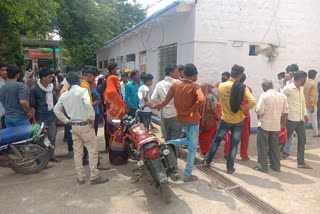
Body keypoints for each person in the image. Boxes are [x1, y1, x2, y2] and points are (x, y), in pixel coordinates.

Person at [149, 64, 205, 182]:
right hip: (193, 120)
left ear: (184, 74)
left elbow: (164, 101)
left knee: (190, 141)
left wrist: (154, 106)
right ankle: (187, 175)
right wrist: (192, 109)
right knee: (192, 147)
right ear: (194, 75)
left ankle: (168, 143)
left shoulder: (175, 85)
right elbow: (201, 100)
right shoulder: (195, 87)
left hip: (180, 118)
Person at [54, 72, 109, 184]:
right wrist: (92, 118)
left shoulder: (64, 95)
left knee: (78, 153)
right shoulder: (82, 91)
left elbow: (56, 110)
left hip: (74, 126)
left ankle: (81, 177)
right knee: (92, 151)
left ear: (68, 82)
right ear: (79, 80)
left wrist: (66, 121)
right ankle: (94, 176)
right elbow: (88, 104)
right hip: (85, 125)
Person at [204, 65, 256, 174]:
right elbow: (253, 102)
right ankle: (229, 168)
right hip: (238, 120)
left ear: (231, 73)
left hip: (225, 118)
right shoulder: (244, 87)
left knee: (217, 140)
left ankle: (207, 161)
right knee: (234, 144)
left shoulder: (222, 85)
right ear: (240, 76)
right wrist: (243, 108)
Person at [255, 79, 288, 172]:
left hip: (264, 125)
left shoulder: (264, 96)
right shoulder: (282, 96)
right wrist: (283, 125)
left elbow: (260, 110)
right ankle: (276, 166)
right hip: (276, 126)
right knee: (275, 147)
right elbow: (286, 112)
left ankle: (262, 167)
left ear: (264, 87)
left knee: (262, 147)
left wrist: (256, 112)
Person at [281, 71, 312, 169]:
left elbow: (302, 102)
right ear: (300, 79)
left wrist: (305, 115)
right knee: (283, 140)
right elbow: (281, 101)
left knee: (302, 139)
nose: (305, 80)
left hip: (300, 119)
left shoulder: (301, 88)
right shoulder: (287, 89)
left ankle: (301, 162)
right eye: (305, 79)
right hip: (290, 119)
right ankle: (271, 156)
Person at [29, 67, 60, 162]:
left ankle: (51, 155)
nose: (52, 78)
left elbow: (55, 102)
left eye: (52, 77)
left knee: (52, 137)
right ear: (43, 77)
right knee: (40, 139)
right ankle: (42, 159)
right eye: (50, 77)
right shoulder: (34, 89)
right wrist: (34, 120)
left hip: (52, 116)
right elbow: (32, 105)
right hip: (40, 117)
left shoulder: (52, 87)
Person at [224, 74, 252, 161]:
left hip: (233, 115)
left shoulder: (229, 88)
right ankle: (244, 155)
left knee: (230, 135)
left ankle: (227, 154)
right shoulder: (248, 89)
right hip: (244, 115)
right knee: (245, 136)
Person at [151, 65, 181, 141]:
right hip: (176, 114)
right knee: (176, 138)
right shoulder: (178, 83)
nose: (179, 74)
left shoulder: (159, 84)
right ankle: (174, 152)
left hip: (165, 115)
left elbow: (153, 98)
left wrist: (159, 105)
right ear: (171, 73)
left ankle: (168, 152)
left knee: (167, 137)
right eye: (177, 72)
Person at [104, 75, 128, 165]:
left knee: (113, 137)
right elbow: (119, 106)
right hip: (116, 119)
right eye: (117, 82)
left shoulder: (107, 91)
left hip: (110, 118)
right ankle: (118, 159)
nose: (118, 84)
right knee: (118, 138)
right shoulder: (113, 92)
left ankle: (114, 158)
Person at [198, 83, 218, 155]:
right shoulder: (210, 97)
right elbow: (213, 108)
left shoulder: (198, 96)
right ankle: (209, 151)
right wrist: (217, 116)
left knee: (202, 135)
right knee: (210, 134)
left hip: (200, 119)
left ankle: (202, 150)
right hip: (209, 120)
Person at [304, 70, 319, 137]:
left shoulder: (304, 82)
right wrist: (312, 105)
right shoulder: (314, 84)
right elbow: (312, 96)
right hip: (311, 104)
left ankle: (300, 131)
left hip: (304, 103)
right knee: (314, 119)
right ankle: (315, 132)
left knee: (304, 118)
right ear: (315, 76)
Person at [0, 63, 8, 129]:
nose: (5, 72)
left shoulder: (11, 80)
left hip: (13, 113)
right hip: (3, 113)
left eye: (6, 70)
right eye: (3, 70)